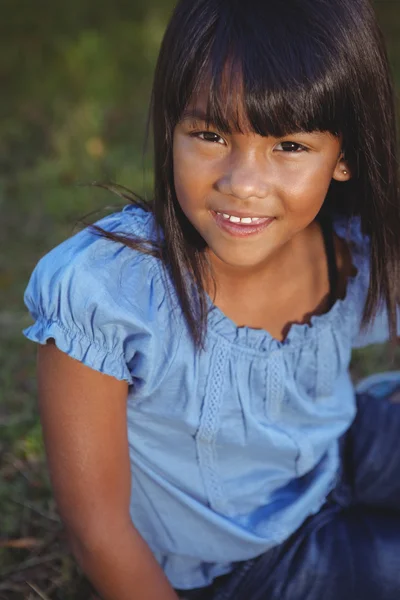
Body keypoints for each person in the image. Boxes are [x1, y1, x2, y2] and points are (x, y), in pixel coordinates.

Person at [23, 0, 400, 598]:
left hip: (338, 449)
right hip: (246, 559)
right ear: (171, 126)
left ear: (346, 154)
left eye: (290, 147)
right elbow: (98, 531)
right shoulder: (108, 297)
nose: (242, 182)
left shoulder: (351, 247)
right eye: (210, 134)